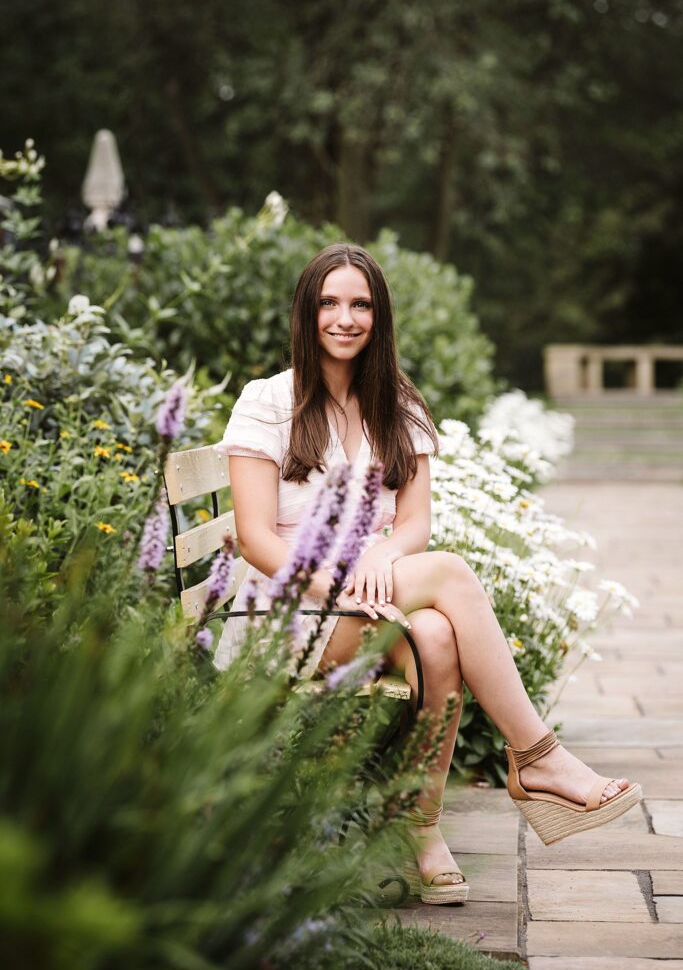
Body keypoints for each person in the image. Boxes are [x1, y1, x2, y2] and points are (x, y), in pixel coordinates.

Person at [214, 243, 641, 906]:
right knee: (447, 575)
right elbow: (255, 539)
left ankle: (421, 827)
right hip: (287, 612)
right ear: (305, 312)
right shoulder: (268, 403)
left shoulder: (397, 405)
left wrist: (385, 556)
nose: (344, 317)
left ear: (379, 318)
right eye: (329, 302)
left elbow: (413, 522)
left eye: (360, 304)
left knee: (438, 636)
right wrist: (345, 586)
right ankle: (535, 757)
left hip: (370, 604)